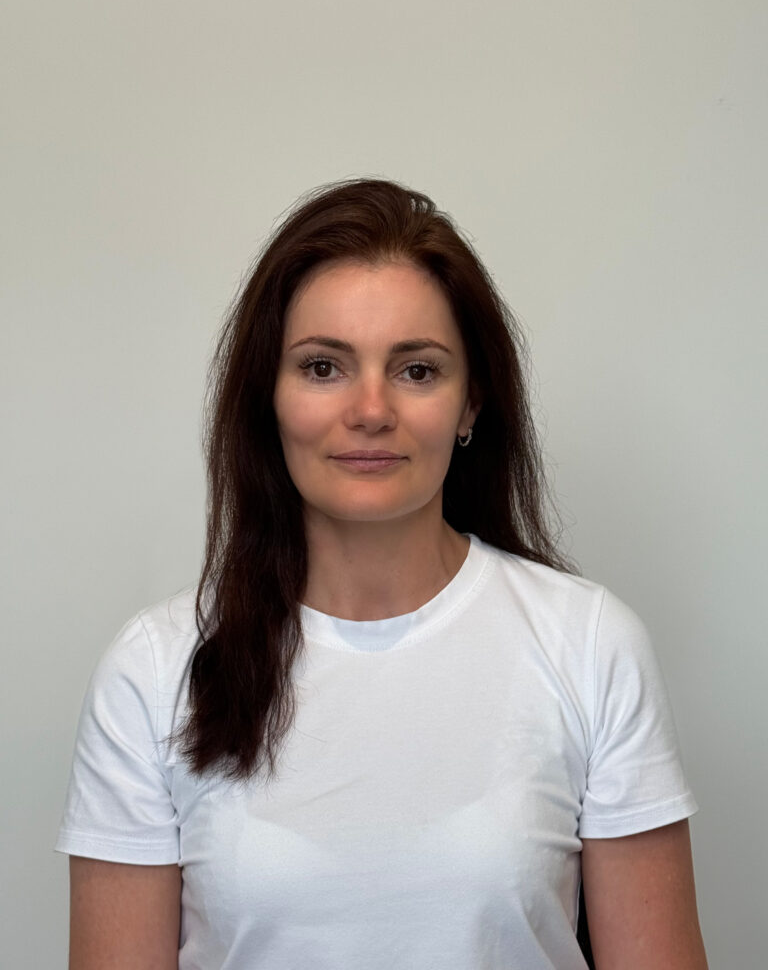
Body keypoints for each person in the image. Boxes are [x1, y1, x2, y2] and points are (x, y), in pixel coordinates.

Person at [57, 178, 708, 969]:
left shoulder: (591, 645)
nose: (370, 410)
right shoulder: (153, 670)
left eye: (417, 371)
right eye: (322, 367)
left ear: (472, 405)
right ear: (268, 397)